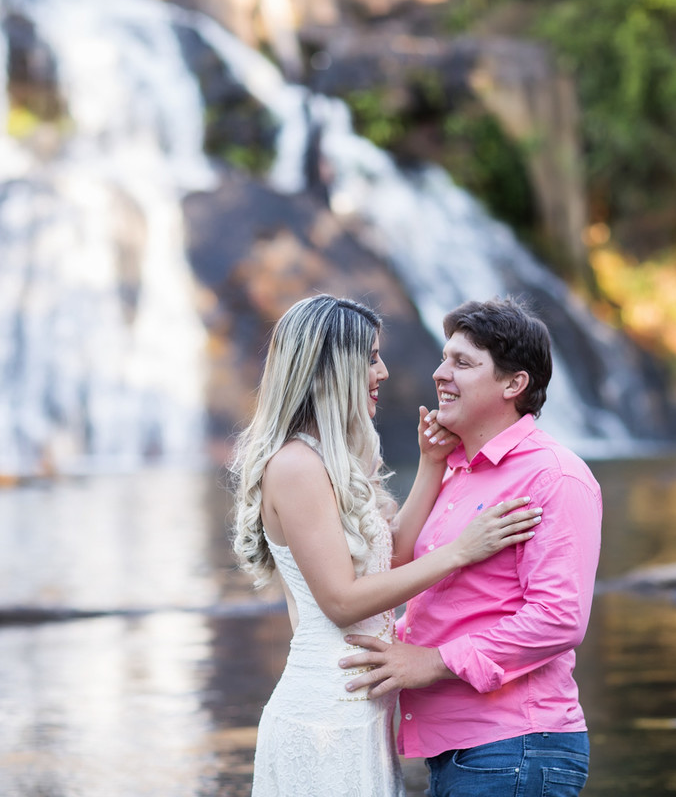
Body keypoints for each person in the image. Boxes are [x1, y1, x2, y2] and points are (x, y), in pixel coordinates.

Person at [230, 294, 544, 797]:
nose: (385, 372)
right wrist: (460, 551)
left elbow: (389, 562)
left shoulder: (333, 461)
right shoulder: (296, 466)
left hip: (363, 711)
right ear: (331, 368)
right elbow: (341, 601)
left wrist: (431, 465)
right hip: (325, 717)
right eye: (371, 357)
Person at [339, 297, 603, 797]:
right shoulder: (456, 470)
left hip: (517, 746)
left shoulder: (555, 477)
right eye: (444, 359)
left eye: (462, 363)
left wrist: (433, 661)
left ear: (513, 383)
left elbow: (560, 617)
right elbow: (423, 581)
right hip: (462, 750)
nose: (439, 373)